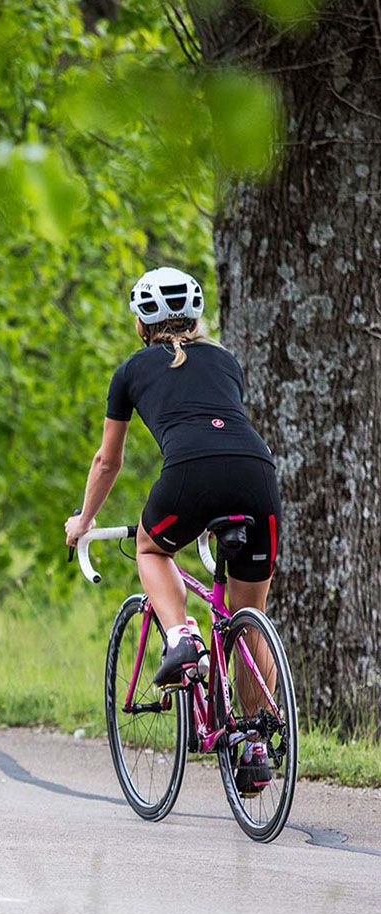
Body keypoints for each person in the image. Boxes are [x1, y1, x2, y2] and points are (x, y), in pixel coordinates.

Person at [63, 266, 282, 797]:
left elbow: (106, 461)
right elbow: (222, 425)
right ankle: (255, 746)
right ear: (197, 315)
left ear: (142, 323)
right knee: (249, 623)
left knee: (149, 546)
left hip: (188, 473)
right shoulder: (226, 360)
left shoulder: (132, 370)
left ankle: (182, 635)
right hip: (257, 475)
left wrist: (83, 522)